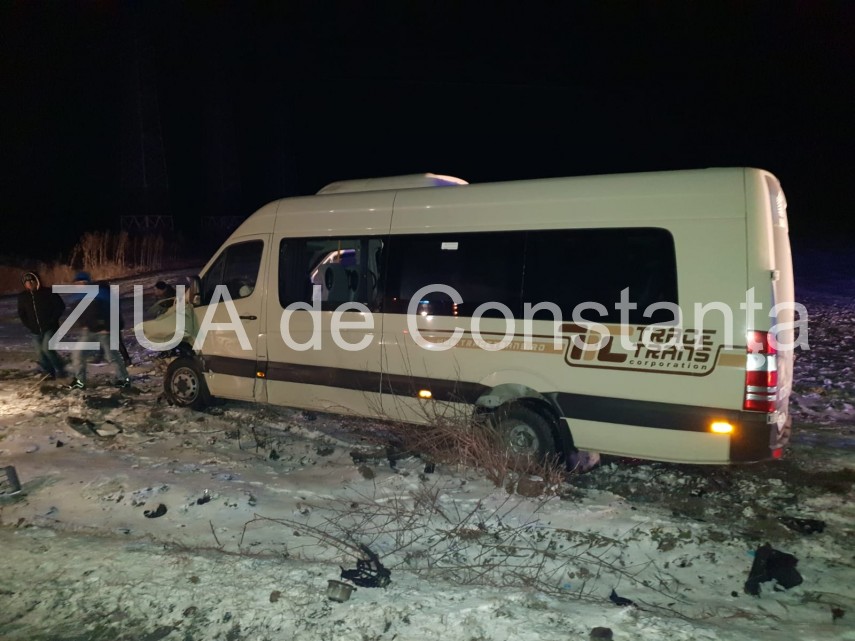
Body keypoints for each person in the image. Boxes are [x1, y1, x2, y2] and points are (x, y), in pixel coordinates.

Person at [66, 271, 130, 390]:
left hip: (104, 331)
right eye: (77, 283)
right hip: (89, 331)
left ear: (87, 283)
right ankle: (80, 381)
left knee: (112, 356)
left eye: (82, 283)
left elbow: (112, 310)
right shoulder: (76, 297)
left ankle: (124, 380)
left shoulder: (100, 294)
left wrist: (108, 327)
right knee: (78, 355)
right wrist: (83, 324)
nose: (79, 285)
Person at [17, 271, 67, 379]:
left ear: (37, 281)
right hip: (35, 330)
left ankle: (60, 369)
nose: (29, 284)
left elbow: (60, 306)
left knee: (47, 349)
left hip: (50, 328)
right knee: (40, 352)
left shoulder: (48, 292)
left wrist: (52, 320)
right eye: (26, 282)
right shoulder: (23, 297)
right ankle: (48, 372)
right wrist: (29, 325)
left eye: (31, 281)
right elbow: (22, 313)